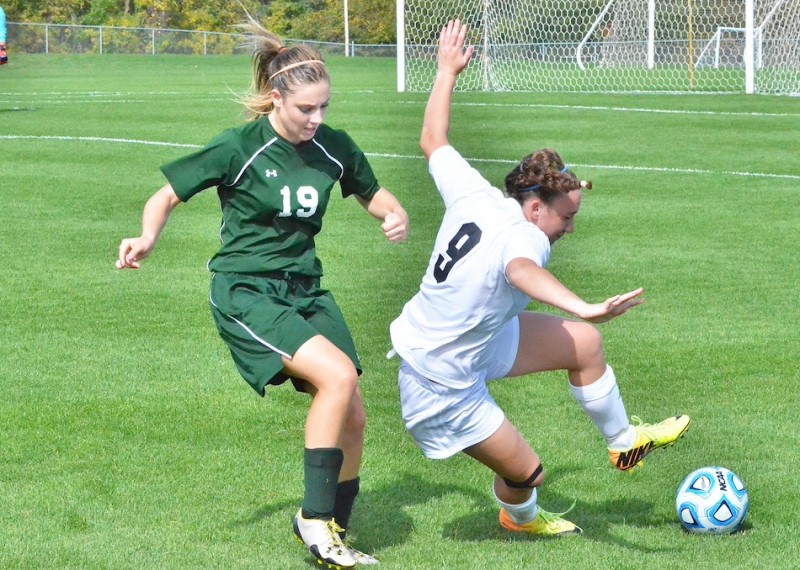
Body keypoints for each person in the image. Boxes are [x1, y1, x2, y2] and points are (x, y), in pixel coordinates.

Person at [116, 15, 408, 569]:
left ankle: (331, 531)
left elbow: (376, 195)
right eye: (306, 109)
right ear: (275, 98)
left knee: (354, 415)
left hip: (306, 290)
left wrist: (394, 216)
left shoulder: (334, 147)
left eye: (324, 107)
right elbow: (165, 196)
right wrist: (147, 236)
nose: (317, 119)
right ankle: (316, 522)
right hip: (246, 289)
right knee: (338, 376)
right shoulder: (239, 146)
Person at [389, 20, 690, 536]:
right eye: (565, 218)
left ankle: (623, 444)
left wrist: (445, 72)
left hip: (463, 340)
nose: (568, 229)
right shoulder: (526, 237)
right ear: (534, 207)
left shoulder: (475, 193)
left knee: (584, 346)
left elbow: (432, 138)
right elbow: (520, 270)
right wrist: (584, 305)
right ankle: (519, 518)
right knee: (528, 475)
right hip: (440, 382)